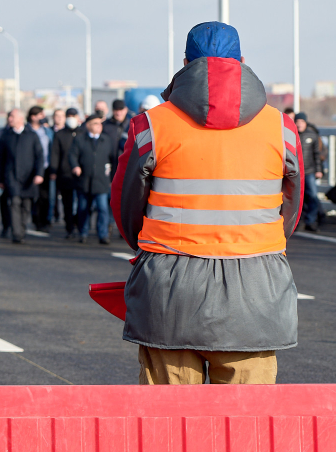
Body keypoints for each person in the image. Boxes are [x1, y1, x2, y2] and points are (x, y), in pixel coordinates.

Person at [112, 21, 302, 385]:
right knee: (247, 425)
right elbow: (291, 210)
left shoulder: (151, 125)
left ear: (186, 63)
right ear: (242, 61)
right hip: (256, 288)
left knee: (171, 425)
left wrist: (152, 252)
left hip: (170, 287)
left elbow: (126, 205)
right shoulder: (282, 127)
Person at [0, 108, 45, 244]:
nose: (10, 119)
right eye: (9, 117)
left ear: (21, 119)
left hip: (29, 177)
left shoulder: (32, 135)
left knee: (26, 205)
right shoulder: (6, 136)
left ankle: (21, 229)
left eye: (12, 117)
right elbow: (2, 159)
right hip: (12, 176)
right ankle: (16, 233)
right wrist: (0, 178)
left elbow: (40, 157)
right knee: (15, 202)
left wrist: (39, 174)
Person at [69, 115, 115, 244]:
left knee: (103, 208)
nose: (98, 126)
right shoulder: (80, 139)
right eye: (95, 123)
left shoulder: (106, 140)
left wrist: (112, 177)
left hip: (101, 181)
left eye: (100, 124)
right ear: (88, 125)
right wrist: (76, 166)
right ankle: (83, 233)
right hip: (84, 180)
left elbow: (113, 159)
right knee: (83, 208)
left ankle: (103, 234)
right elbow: (72, 155)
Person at [49, 107, 80, 238]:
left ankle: (78, 223)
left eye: (73, 115)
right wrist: (54, 170)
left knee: (80, 203)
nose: (71, 118)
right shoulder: (60, 134)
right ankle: (69, 227)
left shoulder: (82, 133)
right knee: (67, 203)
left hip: (80, 174)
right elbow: (55, 153)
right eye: (69, 115)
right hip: (64, 174)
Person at [294, 112, 323, 232]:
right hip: (295, 172)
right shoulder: (291, 135)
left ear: (306, 123)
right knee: (296, 198)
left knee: (313, 196)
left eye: (302, 122)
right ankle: (297, 222)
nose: (300, 124)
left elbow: (317, 154)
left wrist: (319, 170)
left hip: (309, 171)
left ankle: (311, 221)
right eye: (298, 122)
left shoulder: (312, 135)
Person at [27, 106, 52, 231]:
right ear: (33, 116)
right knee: (31, 196)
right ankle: (33, 218)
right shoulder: (27, 130)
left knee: (44, 196)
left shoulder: (46, 131)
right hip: (30, 168)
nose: (43, 118)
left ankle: (42, 220)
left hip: (45, 167)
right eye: (40, 115)